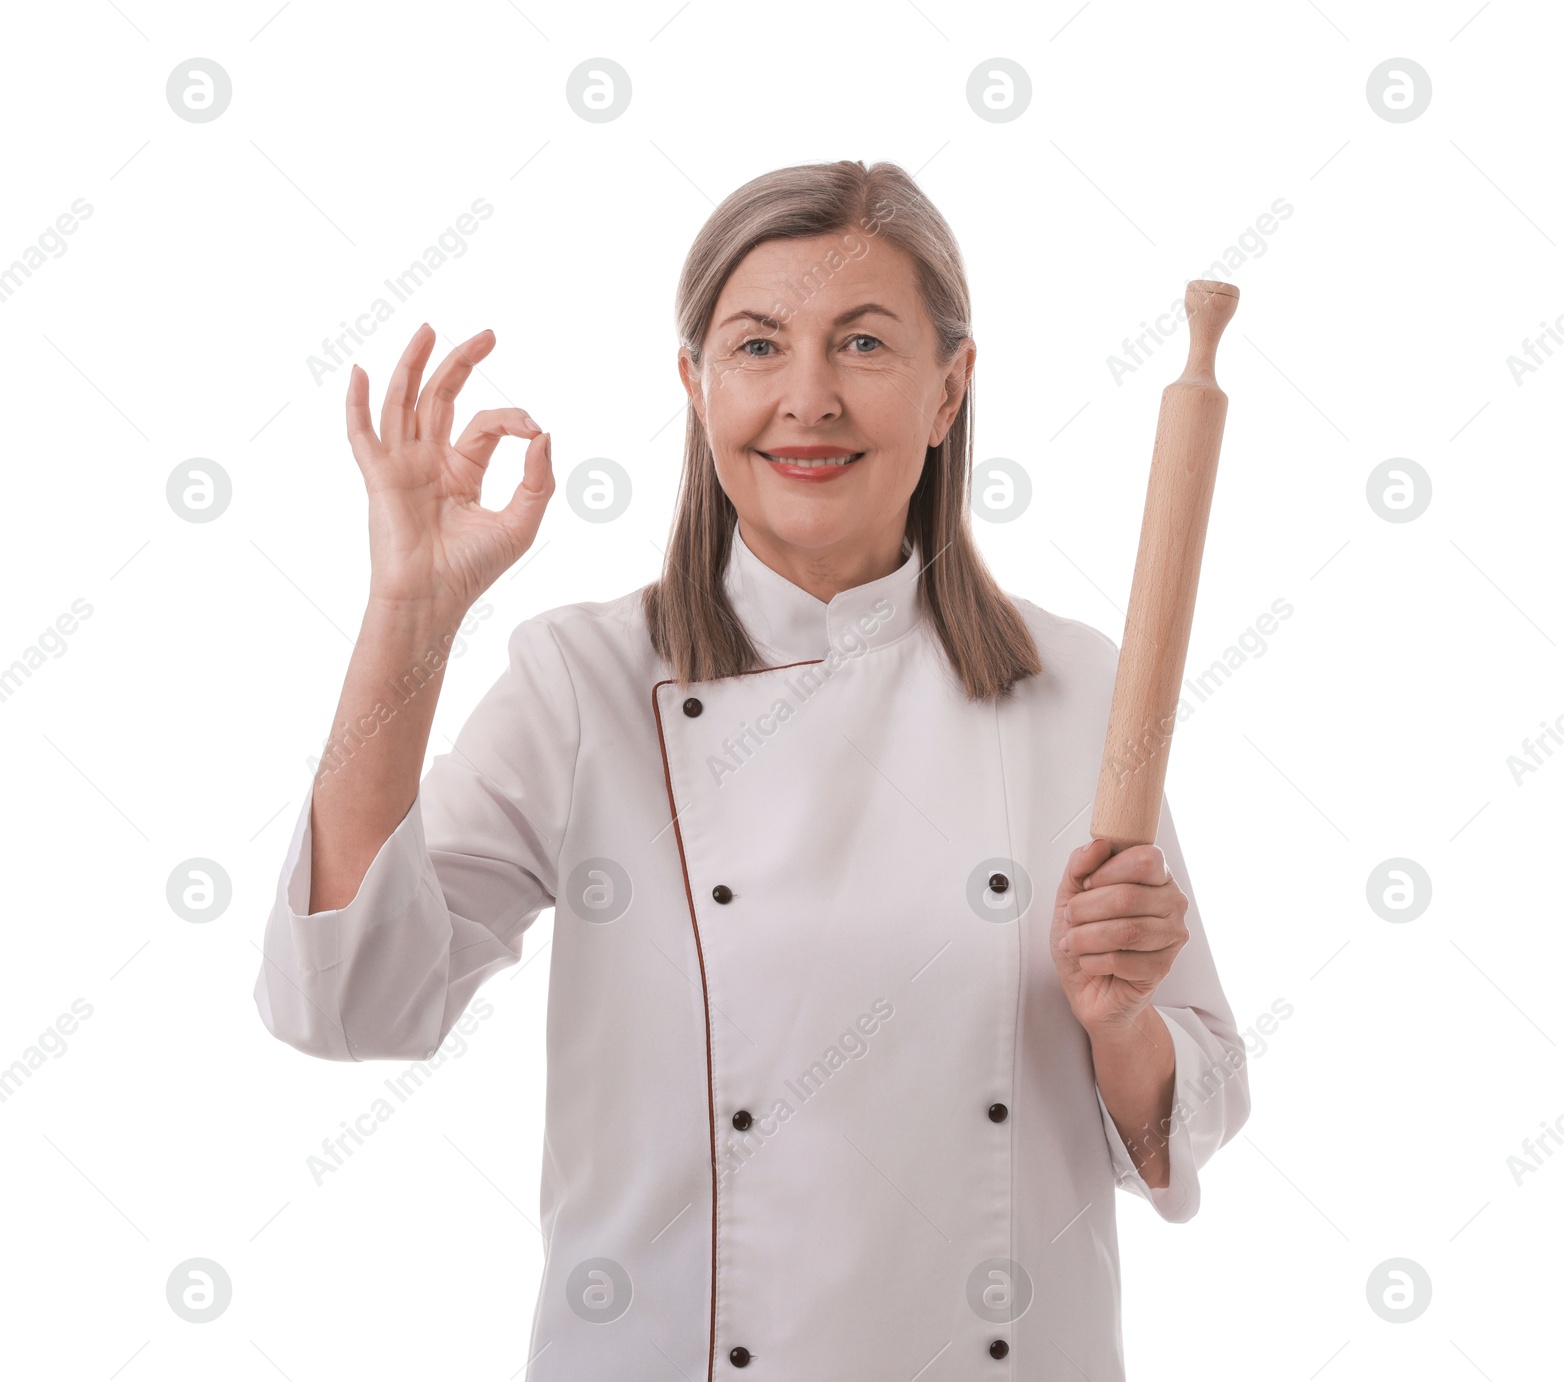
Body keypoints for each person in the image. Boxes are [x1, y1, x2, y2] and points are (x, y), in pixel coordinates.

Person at [254, 158, 1250, 1381]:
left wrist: (1120, 1020)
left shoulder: (1082, 689)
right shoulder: (583, 685)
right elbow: (349, 1002)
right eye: (760, 346)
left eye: (865, 343)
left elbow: (1190, 1113)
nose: (808, 397)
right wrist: (409, 614)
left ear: (950, 388)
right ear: (695, 385)